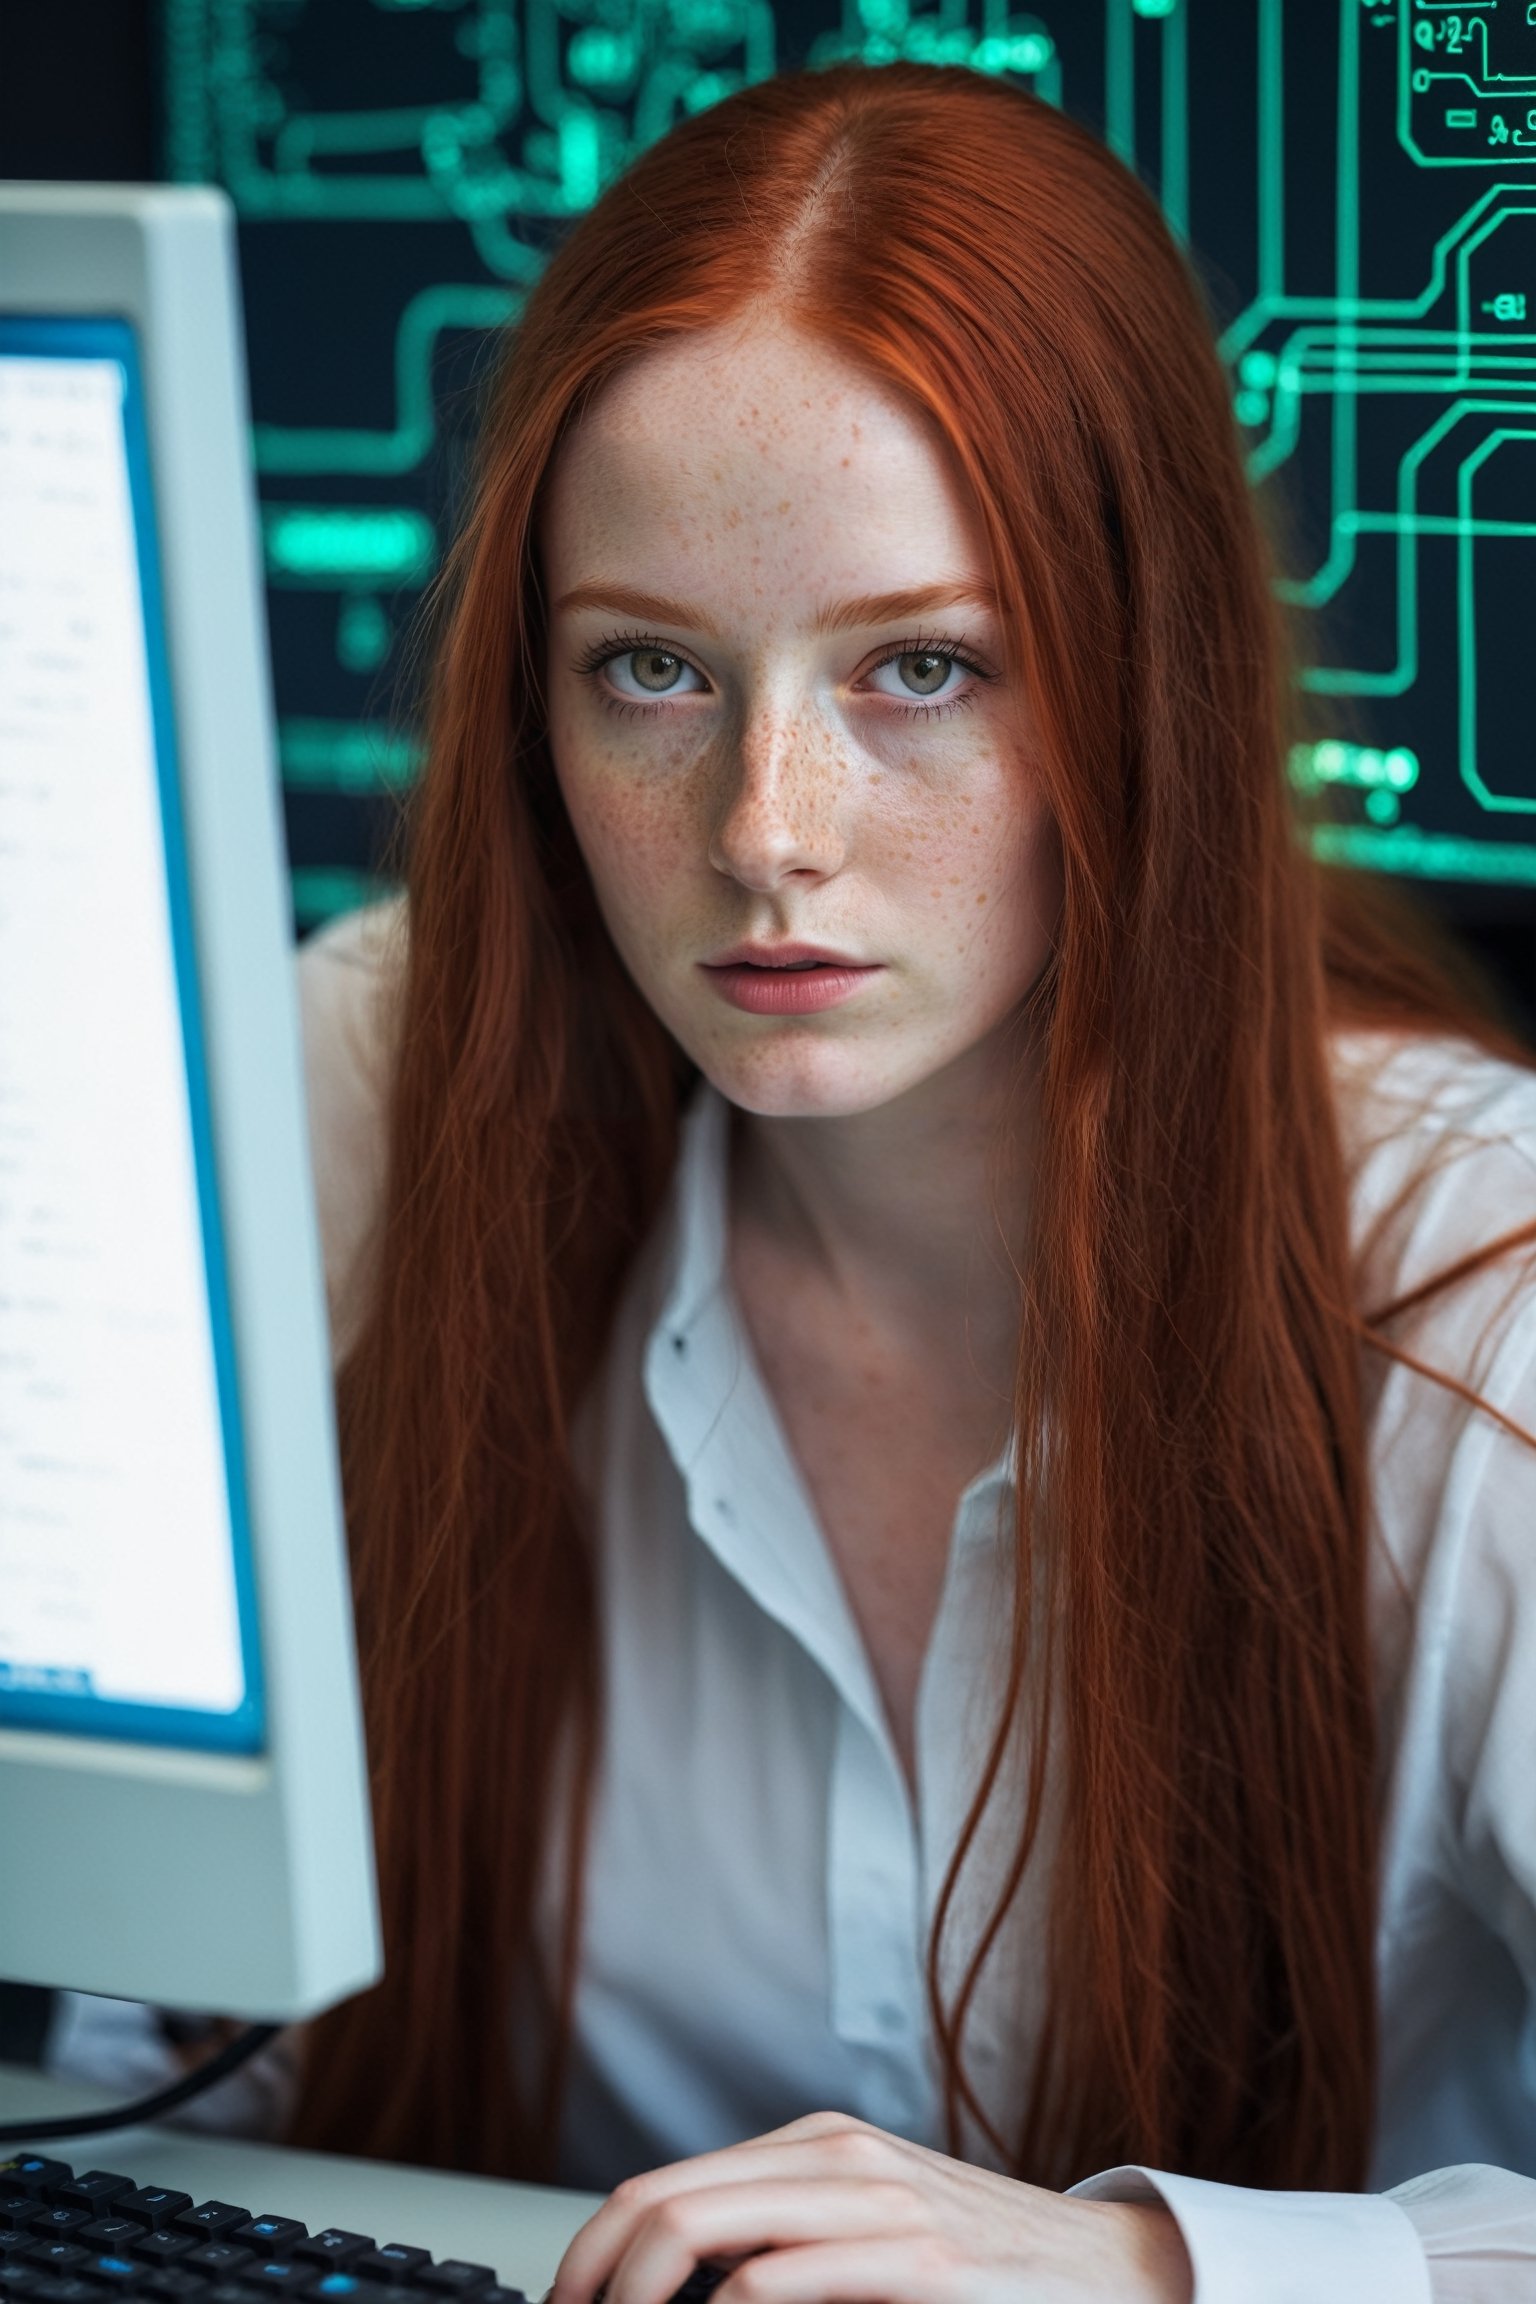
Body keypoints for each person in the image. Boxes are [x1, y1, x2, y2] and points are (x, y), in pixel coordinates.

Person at [50, 58, 1536, 2303]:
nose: (765, 828)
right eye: (649, 671)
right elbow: (147, 2048)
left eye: (921, 669)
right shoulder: (372, 1087)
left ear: (1143, 690)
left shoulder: (1480, 1288)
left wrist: (1145, 2278)